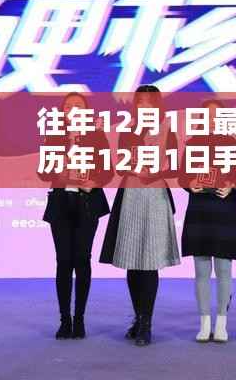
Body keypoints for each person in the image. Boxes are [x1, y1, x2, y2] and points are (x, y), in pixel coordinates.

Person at [99, 85, 180, 347]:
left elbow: (174, 165)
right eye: (140, 102)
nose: (144, 106)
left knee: (150, 261)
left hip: (155, 195)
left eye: (149, 102)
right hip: (132, 194)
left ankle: (147, 323)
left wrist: (155, 170)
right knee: (133, 260)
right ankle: (138, 317)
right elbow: (121, 163)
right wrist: (136, 167)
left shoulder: (167, 129)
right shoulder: (128, 129)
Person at [40, 92, 113, 339]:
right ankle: (65, 320)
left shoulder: (96, 135)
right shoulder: (54, 135)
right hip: (61, 204)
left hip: (87, 204)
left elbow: (108, 171)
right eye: (68, 106)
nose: (73, 109)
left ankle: (79, 319)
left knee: (82, 260)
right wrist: (59, 171)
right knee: (63, 261)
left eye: (78, 106)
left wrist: (93, 182)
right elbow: (43, 172)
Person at [180, 99, 236, 343]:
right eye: (207, 116)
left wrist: (232, 187)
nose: (212, 120)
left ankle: (222, 323)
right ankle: (204, 323)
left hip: (223, 209)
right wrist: (190, 184)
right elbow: (183, 175)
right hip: (199, 211)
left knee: (224, 268)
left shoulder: (234, 145)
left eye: (217, 116)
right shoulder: (192, 144)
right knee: (201, 269)